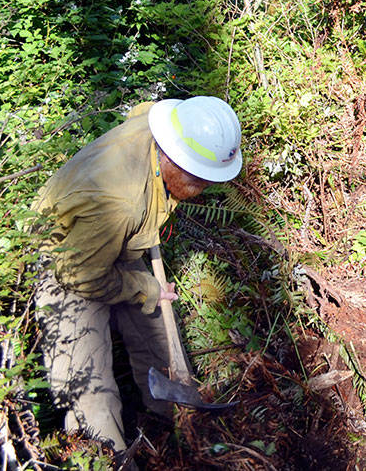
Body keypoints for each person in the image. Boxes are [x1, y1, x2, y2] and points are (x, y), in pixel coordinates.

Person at [32, 96, 243, 453]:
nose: (202, 188)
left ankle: (179, 438)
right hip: (67, 261)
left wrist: (146, 291)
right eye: (197, 177)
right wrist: (144, 287)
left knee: (159, 337)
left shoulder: (170, 121)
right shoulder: (119, 202)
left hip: (118, 239)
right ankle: (107, 455)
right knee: (89, 394)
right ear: (170, 157)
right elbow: (82, 275)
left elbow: (141, 109)